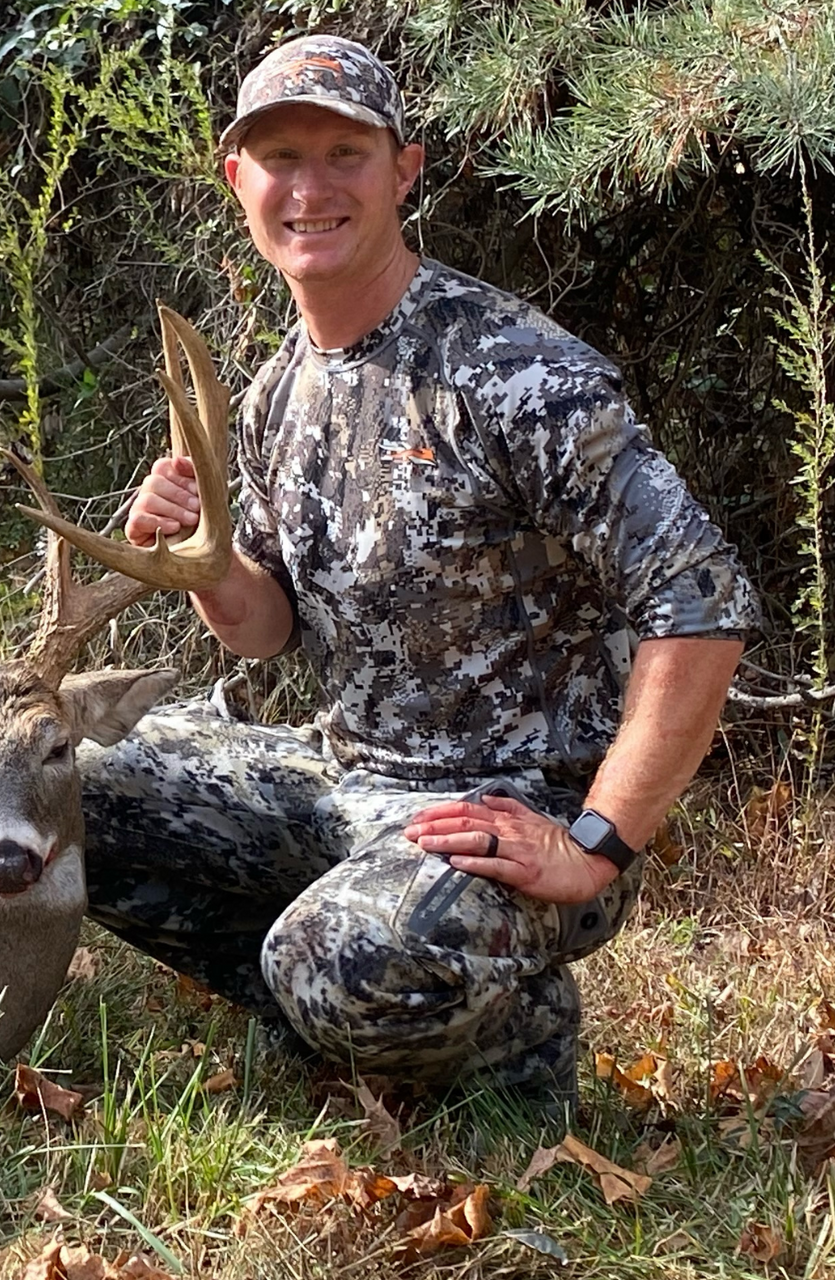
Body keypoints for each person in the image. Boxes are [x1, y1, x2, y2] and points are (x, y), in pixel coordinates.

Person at [79, 34, 758, 1111]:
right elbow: (263, 630)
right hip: (347, 778)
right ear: (237, 181)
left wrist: (594, 842)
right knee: (61, 782)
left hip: (510, 819)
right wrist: (197, 557)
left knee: (329, 966)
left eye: (344, 154)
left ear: (404, 169)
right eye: (281, 157)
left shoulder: (512, 374)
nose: (309, 188)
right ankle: (351, 977)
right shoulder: (270, 393)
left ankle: (493, 1026)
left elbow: (700, 602)